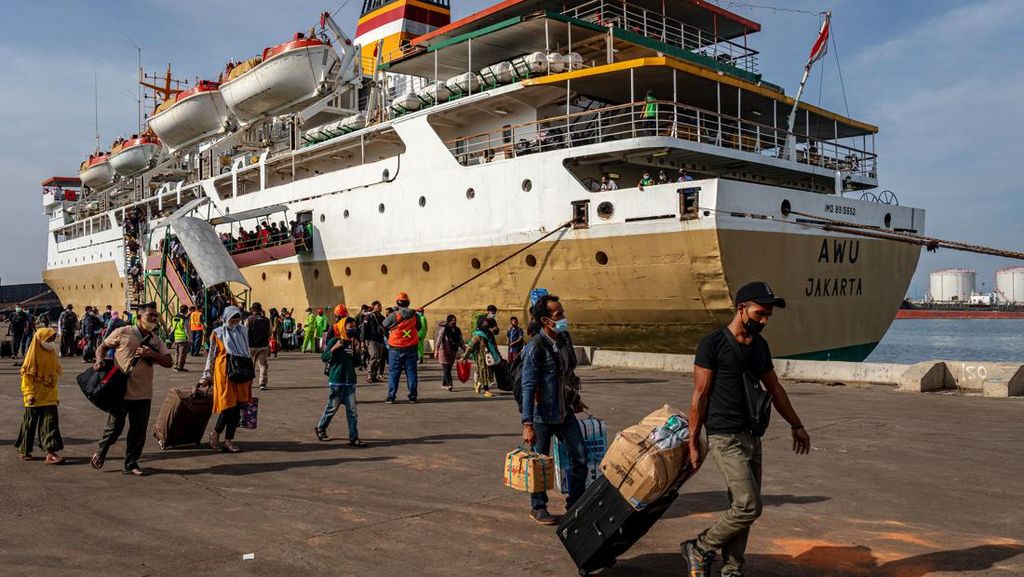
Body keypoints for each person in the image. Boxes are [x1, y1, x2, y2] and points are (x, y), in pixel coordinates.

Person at [682, 281, 811, 577]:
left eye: (767, 316)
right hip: (724, 435)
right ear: (742, 309)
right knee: (748, 506)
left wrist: (796, 424)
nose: (764, 321)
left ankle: (732, 568)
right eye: (759, 314)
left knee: (742, 508)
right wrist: (692, 441)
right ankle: (700, 547)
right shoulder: (712, 344)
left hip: (753, 436)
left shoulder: (760, 347)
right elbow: (700, 396)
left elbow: (774, 388)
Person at [520, 294, 588, 525]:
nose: (563, 318)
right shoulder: (535, 348)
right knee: (540, 463)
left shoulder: (561, 342)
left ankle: (575, 503)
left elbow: (565, 377)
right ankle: (538, 507)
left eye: (562, 313)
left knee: (580, 455)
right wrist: (527, 424)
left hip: (564, 411)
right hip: (541, 416)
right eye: (558, 315)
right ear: (545, 320)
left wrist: (574, 398)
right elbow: (528, 386)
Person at [91, 302, 173, 476]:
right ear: (139, 317)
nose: (153, 318)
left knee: (138, 431)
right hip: (120, 390)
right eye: (150, 315)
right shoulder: (123, 332)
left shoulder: (155, 340)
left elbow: (169, 362)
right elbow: (102, 347)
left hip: (143, 392)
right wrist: (99, 360)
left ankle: (131, 464)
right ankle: (101, 451)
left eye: (155, 316)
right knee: (114, 428)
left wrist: (152, 354)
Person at [201, 306, 253, 453]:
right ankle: (216, 433)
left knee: (237, 408)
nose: (235, 320)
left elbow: (247, 351)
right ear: (225, 318)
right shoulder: (217, 333)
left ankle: (228, 440)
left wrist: (250, 375)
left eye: (237, 317)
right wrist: (206, 376)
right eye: (232, 318)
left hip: (242, 372)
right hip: (224, 372)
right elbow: (211, 355)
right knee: (228, 406)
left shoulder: (243, 331)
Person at [15, 327, 65, 464]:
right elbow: (27, 377)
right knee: (29, 424)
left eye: (53, 339)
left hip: (49, 396)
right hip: (34, 397)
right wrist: (29, 393)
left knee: (50, 424)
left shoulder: (52, 353)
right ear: (40, 340)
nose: (51, 342)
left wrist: (55, 397)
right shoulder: (31, 357)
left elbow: (54, 376)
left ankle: (50, 453)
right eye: (49, 339)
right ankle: (24, 450)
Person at [315, 315, 367, 446]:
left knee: (352, 411)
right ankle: (321, 428)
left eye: (354, 327)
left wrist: (357, 349)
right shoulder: (334, 341)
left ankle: (354, 438)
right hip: (337, 380)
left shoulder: (352, 342)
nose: (353, 329)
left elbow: (357, 363)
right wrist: (335, 347)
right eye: (350, 327)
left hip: (350, 380)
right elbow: (324, 357)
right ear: (343, 328)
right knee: (332, 407)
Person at [382, 292, 421, 404]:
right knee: (411, 372)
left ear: (397, 303)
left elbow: (384, 324)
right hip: (411, 348)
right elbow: (418, 327)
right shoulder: (415, 315)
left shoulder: (394, 315)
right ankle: (413, 396)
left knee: (394, 373)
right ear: (408, 303)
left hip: (396, 348)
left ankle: (391, 396)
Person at [461, 315, 500, 397]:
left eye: (487, 324)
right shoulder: (477, 335)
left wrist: (498, 354)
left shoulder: (490, 334)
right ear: (480, 324)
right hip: (481, 357)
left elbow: (494, 344)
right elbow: (470, 347)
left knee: (489, 372)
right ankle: (486, 390)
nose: (485, 325)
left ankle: (479, 383)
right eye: (484, 324)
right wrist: (464, 357)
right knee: (484, 372)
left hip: (490, 356)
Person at [434, 315, 464, 391]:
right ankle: (450, 384)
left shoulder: (457, 329)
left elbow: (460, 340)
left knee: (448, 369)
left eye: (455, 320)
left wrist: (464, 349)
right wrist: (436, 350)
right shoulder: (443, 330)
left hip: (453, 351)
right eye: (452, 320)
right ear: (448, 321)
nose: (454, 322)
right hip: (443, 351)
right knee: (446, 368)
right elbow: (438, 340)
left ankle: (444, 383)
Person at [246, 302, 271, 390]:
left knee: (250, 365)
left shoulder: (249, 319)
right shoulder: (266, 320)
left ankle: (249, 383)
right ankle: (262, 383)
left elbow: (245, 331)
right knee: (262, 365)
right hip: (263, 345)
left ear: (252, 310)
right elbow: (270, 332)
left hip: (251, 345)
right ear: (260, 310)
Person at [360, 301, 386, 383]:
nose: (380, 307)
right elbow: (363, 329)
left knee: (379, 359)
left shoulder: (382, 318)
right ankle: (370, 374)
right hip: (371, 340)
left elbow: (386, 328)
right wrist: (362, 341)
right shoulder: (369, 317)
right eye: (378, 305)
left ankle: (374, 376)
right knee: (374, 356)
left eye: (380, 305)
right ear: (373, 306)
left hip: (380, 340)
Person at [170, 305, 190, 372]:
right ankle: (180, 367)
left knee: (177, 353)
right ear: (186, 310)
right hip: (183, 338)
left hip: (176, 338)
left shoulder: (174, 317)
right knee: (182, 354)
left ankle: (176, 366)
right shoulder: (184, 319)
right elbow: (186, 330)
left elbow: (172, 328)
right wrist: (189, 339)